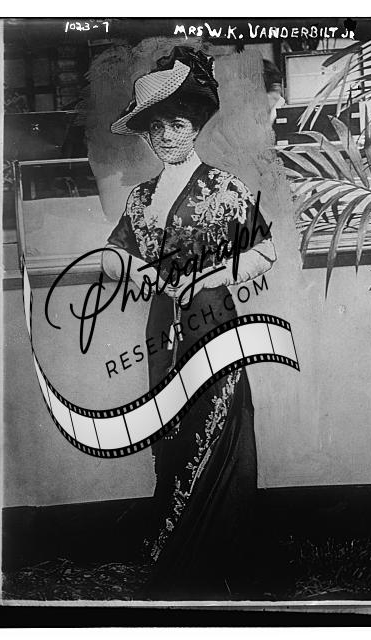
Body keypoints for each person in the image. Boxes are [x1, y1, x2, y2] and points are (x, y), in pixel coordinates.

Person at [103, 46, 277, 599]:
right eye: (155, 128)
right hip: (162, 328)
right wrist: (141, 271)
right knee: (171, 432)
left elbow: (265, 252)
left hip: (213, 322)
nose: (166, 137)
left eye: (176, 124)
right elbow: (113, 256)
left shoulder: (223, 187)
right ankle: (179, 558)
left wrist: (212, 275)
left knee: (219, 427)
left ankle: (224, 559)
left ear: (196, 125)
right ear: (146, 136)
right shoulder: (140, 198)